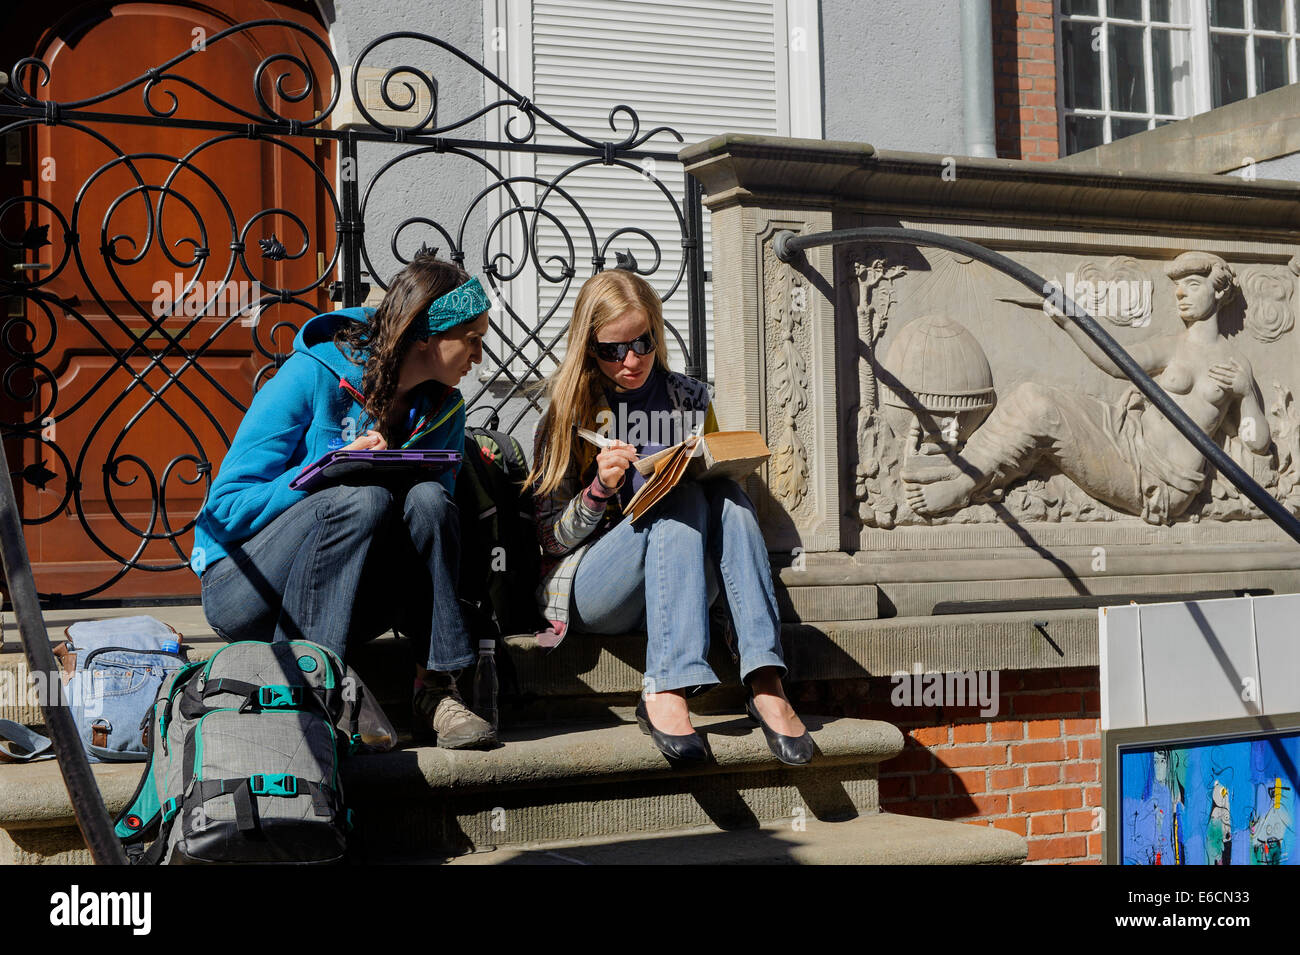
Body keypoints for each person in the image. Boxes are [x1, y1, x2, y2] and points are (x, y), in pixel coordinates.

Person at [190, 252, 496, 749]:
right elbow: (227, 506)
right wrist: (326, 470)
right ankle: (312, 693)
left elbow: (428, 531)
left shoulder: (445, 410)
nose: (479, 357)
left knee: (431, 502)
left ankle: (434, 687)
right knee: (360, 499)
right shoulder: (311, 374)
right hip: (244, 588)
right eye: (472, 340)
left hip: (350, 593)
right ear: (426, 333)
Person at [526, 269, 812, 765]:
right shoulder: (568, 410)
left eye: (642, 343)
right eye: (611, 350)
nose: (630, 361)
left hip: (682, 579)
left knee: (720, 492)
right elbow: (551, 541)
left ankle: (765, 677)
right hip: (598, 589)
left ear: (656, 332)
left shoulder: (690, 398)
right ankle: (666, 684)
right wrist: (599, 489)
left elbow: (718, 495)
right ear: (587, 346)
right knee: (678, 500)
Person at [903, 251, 1271, 524]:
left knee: (1041, 413)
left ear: (1220, 292)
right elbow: (1114, 362)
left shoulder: (1234, 364)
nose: (1180, 295)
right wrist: (1069, 320)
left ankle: (962, 486)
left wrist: (1247, 394)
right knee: (1033, 395)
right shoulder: (1171, 346)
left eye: (1192, 285)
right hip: (1126, 437)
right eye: (1177, 288)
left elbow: (1256, 441)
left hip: (1157, 480)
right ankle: (961, 470)